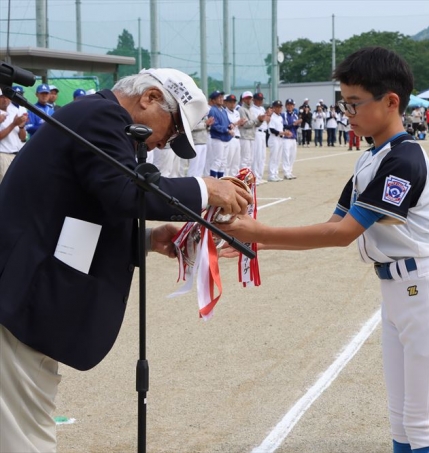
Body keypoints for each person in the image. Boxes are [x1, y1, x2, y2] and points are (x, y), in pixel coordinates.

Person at [219, 46, 429, 453]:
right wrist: (254, 240)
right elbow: (333, 225)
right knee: (402, 422)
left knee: (422, 424)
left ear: (391, 102)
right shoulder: (370, 159)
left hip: (426, 291)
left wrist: (258, 232)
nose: (347, 113)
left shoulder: (404, 159)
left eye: (354, 103)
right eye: (344, 103)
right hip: (397, 291)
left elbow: (343, 234)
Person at [0, 68, 252, 453]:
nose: (164, 143)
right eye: (172, 130)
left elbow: (78, 213)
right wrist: (207, 188)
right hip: (20, 298)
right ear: (149, 97)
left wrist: (147, 239)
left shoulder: (95, 116)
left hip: (27, 294)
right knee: (26, 438)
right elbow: (122, 192)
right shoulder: (102, 116)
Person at [0, 92, 28, 182]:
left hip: (16, 155)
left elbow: (23, 138)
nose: (5, 100)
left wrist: (21, 126)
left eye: (7, 97)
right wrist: (13, 124)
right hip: (3, 155)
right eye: (2, 97)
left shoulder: (15, 111)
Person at [238, 91, 263, 172]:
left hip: (251, 136)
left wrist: (260, 120)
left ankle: (247, 176)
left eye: (250, 98)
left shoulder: (250, 110)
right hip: (245, 136)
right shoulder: (241, 109)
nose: (249, 100)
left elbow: (255, 124)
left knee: (250, 159)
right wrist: (257, 120)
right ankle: (243, 177)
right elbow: (245, 124)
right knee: (245, 159)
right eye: (247, 98)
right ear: (243, 99)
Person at [251, 92, 271, 184]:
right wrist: (264, 116)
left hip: (263, 133)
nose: (260, 101)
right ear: (254, 100)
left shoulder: (262, 108)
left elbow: (267, 120)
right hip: (257, 132)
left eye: (261, 99)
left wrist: (268, 115)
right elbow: (257, 121)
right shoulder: (252, 109)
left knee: (262, 156)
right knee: (256, 155)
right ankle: (255, 177)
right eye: (258, 99)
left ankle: (259, 176)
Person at [281, 98, 301, 180]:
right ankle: (286, 172)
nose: (290, 106)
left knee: (292, 156)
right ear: (286, 106)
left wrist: (297, 124)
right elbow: (285, 126)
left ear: (293, 106)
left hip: (293, 137)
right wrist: (294, 124)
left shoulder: (295, 115)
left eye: (291, 105)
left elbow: (295, 127)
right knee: (286, 155)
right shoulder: (284, 115)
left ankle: (290, 171)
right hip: (286, 138)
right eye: (288, 105)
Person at [267, 100, 286, 182]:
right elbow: (272, 129)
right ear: (273, 108)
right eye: (277, 107)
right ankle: (271, 175)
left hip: (280, 138)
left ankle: (275, 173)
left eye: (280, 107)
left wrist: (284, 133)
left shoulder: (280, 117)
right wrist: (281, 133)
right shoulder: (272, 117)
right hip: (274, 138)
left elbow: (281, 128)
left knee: (278, 157)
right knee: (273, 157)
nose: (279, 108)